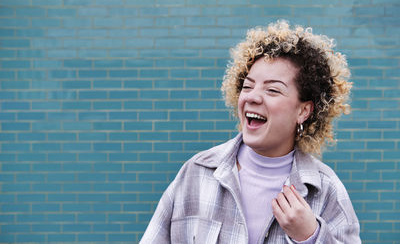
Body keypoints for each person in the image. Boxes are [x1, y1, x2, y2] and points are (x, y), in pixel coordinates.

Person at [140, 20, 361, 244]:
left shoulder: (326, 191)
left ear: (303, 111)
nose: (252, 97)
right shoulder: (196, 173)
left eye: (272, 90)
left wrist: (311, 237)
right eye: (247, 86)